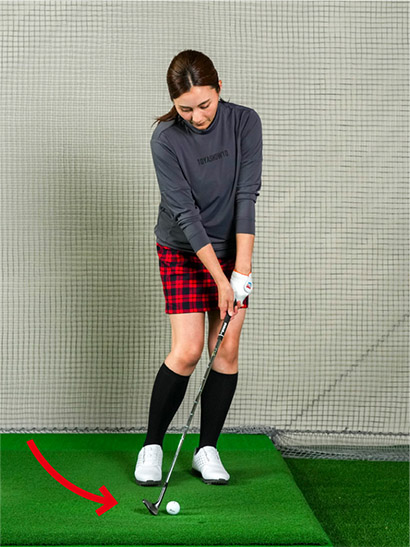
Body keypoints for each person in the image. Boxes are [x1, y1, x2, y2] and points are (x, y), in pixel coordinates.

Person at [134, 50, 262, 486]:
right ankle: (152, 446)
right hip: (183, 249)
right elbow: (185, 214)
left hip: (232, 249)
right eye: (185, 109)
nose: (197, 117)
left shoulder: (245, 122)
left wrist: (240, 273)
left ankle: (206, 449)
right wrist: (219, 279)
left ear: (219, 89)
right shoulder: (165, 139)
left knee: (225, 350)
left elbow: (246, 195)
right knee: (188, 350)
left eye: (204, 105)